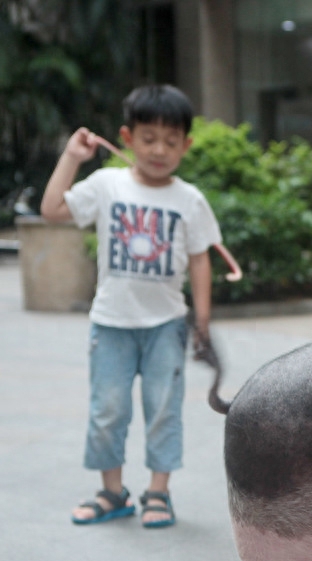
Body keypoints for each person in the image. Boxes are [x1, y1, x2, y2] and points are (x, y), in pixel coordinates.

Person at [40, 84, 221, 529]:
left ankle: (158, 493)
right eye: (148, 138)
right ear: (127, 137)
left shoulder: (190, 199)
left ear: (187, 145)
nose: (159, 150)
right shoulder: (107, 184)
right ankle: (111, 492)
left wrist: (201, 320)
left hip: (166, 326)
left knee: (164, 409)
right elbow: (52, 210)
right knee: (108, 410)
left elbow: (200, 260)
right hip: (112, 323)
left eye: (171, 141)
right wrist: (71, 158)